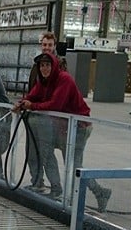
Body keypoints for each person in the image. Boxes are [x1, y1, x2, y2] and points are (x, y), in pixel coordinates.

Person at [13, 53, 112, 211]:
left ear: (54, 66)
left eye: (47, 65)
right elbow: (32, 95)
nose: (44, 68)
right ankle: (58, 191)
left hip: (79, 128)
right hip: (62, 127)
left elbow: (55, 105)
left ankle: (93, 194)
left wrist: (32, 106)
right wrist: (21, 103)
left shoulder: (64, 79)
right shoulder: (44, 81)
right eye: (42, 65)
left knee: (74, 165)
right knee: (50, 156)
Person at [24, 31, 66, 192]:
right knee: (31, 151)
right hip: (34, 115)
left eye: (50, 45)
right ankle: (37, 181)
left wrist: (35, 105)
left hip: (49, 117)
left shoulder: (60, 66)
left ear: (54, 46)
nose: (47, 48)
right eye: (44, 45)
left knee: (46, 152)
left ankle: (56, 186)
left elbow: (56, 97)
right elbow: (34, 89)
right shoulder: (38, 65)